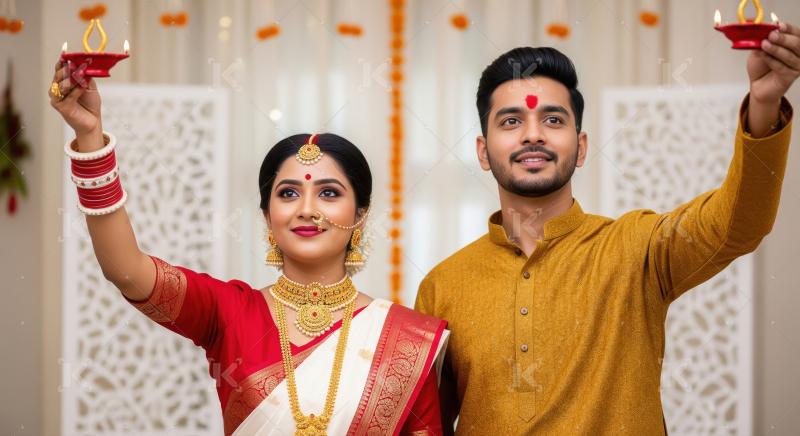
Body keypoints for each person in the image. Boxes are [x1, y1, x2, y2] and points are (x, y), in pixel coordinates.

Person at [415, 23, 798, 435]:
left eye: (553, 119)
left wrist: (764, 103)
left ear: (580, 148)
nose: (532, 135)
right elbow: (426, 424)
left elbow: (741, 221)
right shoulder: (443, 286)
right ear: (482, 152)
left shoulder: (636, 249)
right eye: (511, 121)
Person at [49, 57, 449, 435]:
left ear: (360, 213)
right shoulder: (230, 312)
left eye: (328, 193)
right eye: (288, 194)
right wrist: (90, 138)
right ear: (266, 215)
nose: (307, 210)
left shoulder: (405, 339)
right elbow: (125, 270)